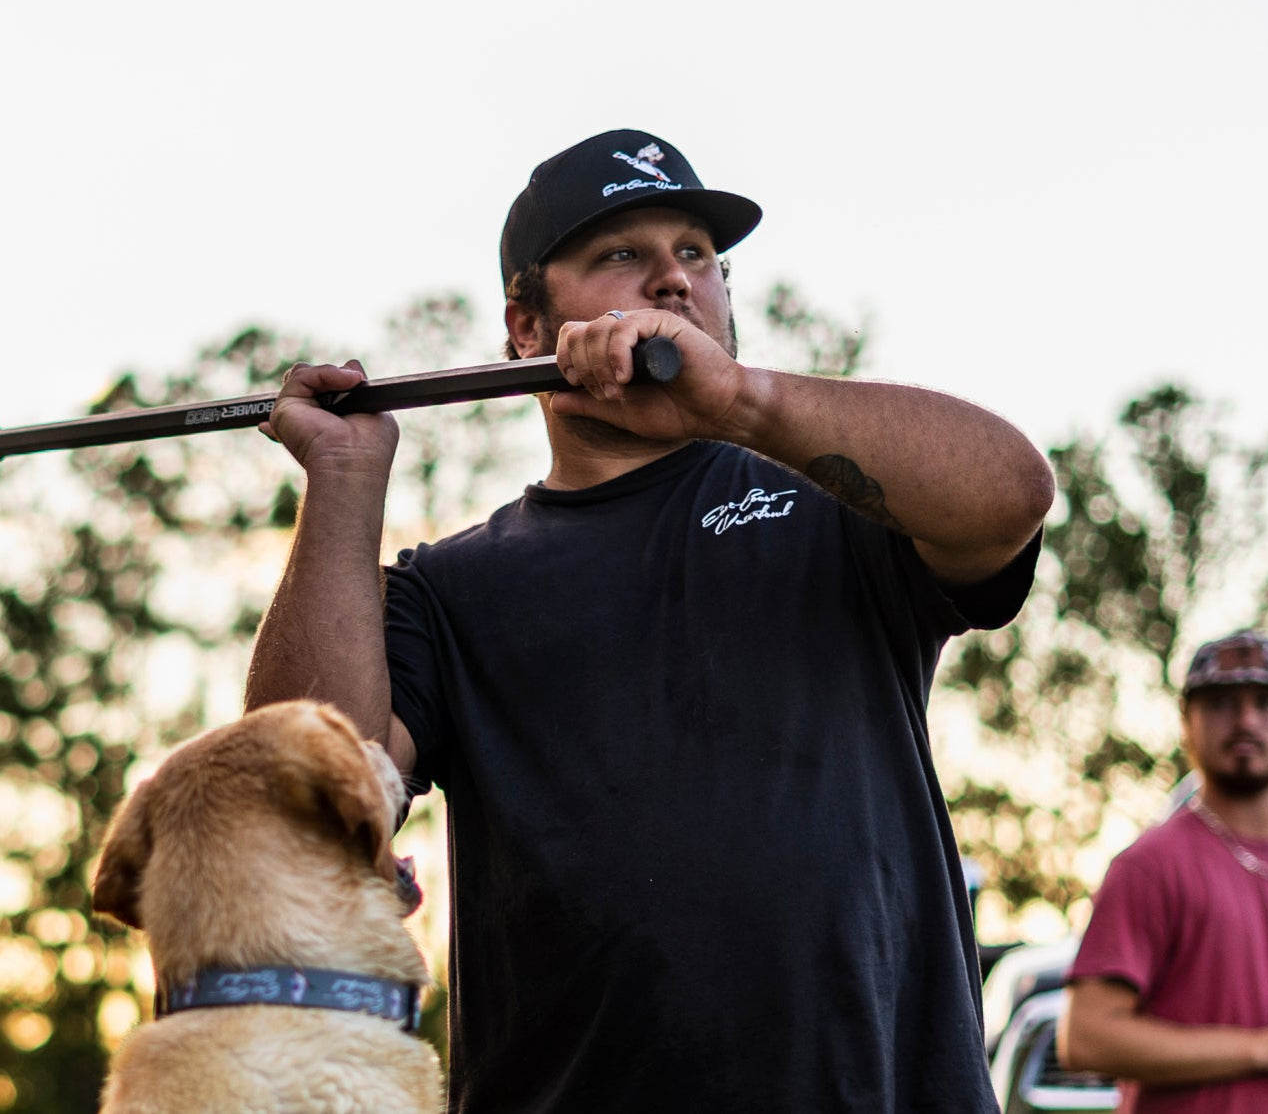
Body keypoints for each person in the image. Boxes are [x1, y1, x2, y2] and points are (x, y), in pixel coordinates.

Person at [246, 128, 1054, 1112]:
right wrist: (339, 482)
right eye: (620, 254)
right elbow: (304, 798)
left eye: (696, 253)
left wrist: (739, 401)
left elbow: (1010, 493)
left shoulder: (837, 502)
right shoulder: (446, 589)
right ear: (525, 324)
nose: (674, 279)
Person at [1059, 629, 1268, 1114]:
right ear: (1185, 721)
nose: (1245, 720)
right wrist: (1264, 1047)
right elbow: (1085, 1037)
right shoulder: (1149, 866)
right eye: (1219, 703)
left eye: (1266, 700)